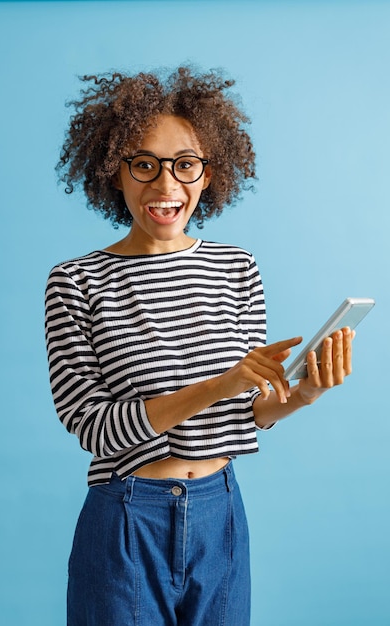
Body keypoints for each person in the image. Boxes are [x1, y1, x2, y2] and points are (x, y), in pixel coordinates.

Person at [45, 66, 354, 626]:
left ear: (209, 175)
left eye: (185, 166)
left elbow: (251, 410)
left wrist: (305, 391)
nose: (166, 188)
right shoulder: (76, 282)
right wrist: (222, 382)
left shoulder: (237, 268)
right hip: (126, 519)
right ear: (115, 171)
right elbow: (91, 426)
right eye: (145, 165)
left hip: (222, 512)